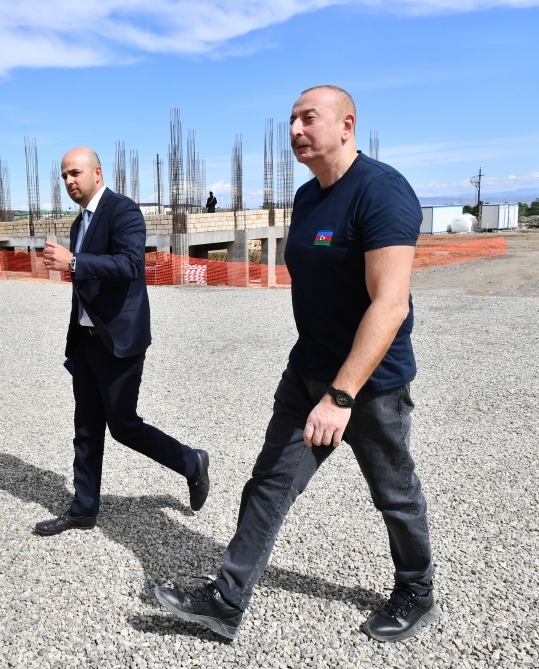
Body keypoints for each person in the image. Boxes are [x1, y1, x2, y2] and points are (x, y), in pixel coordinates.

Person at [155, 86, 439, 643]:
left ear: (347, 126)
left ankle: (417, 589)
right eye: (291, 121)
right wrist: (319, 383)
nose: (294, 131)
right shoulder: (308, 198)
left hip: (371, 385)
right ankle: (226, 600)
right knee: (270, 484)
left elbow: (391, 304)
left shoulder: (382, 191)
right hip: (307, 372)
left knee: (394, 492)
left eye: (309, 118)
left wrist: (341, 395)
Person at [38, 147, 210, 535]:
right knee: (86, 427)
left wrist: (74, 262)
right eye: (64, 176)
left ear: (97, 173)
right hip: (85, 341)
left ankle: (191, 462)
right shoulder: (78, 224)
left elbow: (132, 264)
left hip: (118, 340)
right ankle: (83, 509)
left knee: (124, 425)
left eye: (75, 173)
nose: (69, 181)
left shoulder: (123, 210)